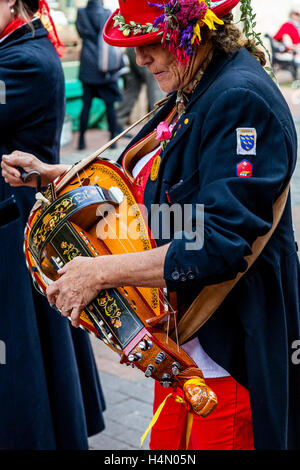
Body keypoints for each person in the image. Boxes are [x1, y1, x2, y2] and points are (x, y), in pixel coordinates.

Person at [2, 0, 300, 450]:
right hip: (184, 352)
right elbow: (169, 203)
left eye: (151, 43)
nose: (140, 59)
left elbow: (219, 241)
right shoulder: (198, 81)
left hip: (228, 352)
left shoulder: (238, 98)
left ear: (193, 32)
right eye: (135, 45)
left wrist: (98, 272)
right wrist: (55, 173)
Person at [0, 0, 105, 449]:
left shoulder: (24, 60)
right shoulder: (21, 48)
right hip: (20, 224)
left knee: (26, 364)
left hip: (16, 228)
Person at [76, 0, 123, 150]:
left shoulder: (81, 13)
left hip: (88, 67)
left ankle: (81, 141)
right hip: (105, 67)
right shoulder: (106, 13)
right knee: (110, 106)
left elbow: (81, 33)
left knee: (86, 106)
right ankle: (113, 140)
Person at [116, 47, 165, 131]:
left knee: (131, 89)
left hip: (132, 47)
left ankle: (117, 124)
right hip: (143, 46)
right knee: (155, 89)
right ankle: (161, 126)